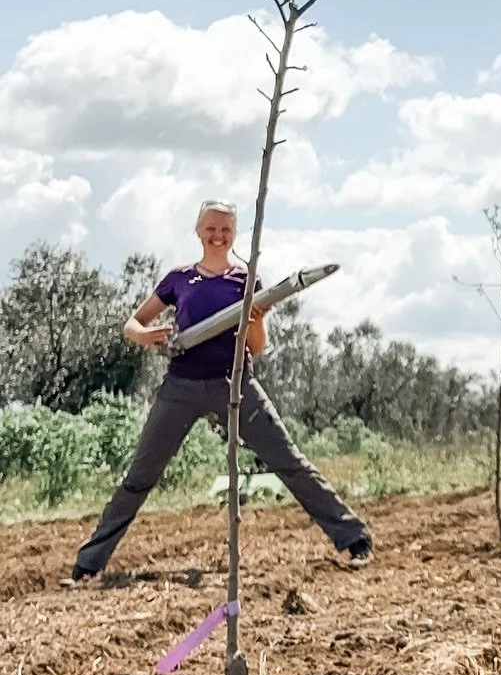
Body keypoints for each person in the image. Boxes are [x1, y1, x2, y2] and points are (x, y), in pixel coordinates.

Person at [65, 199, 372, 582]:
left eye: (225, 229)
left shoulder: (247, 281)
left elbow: (256, 345)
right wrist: (145, 336)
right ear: (198, 232)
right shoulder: (179, 279)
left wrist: (256, 321)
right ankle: (88, 565)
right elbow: (133, 322)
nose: (217, 235)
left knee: (289, 462)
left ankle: (354, 537)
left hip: (236, 385)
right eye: (211, 228)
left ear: (235, 234)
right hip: (181, 386)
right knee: (139, 476)